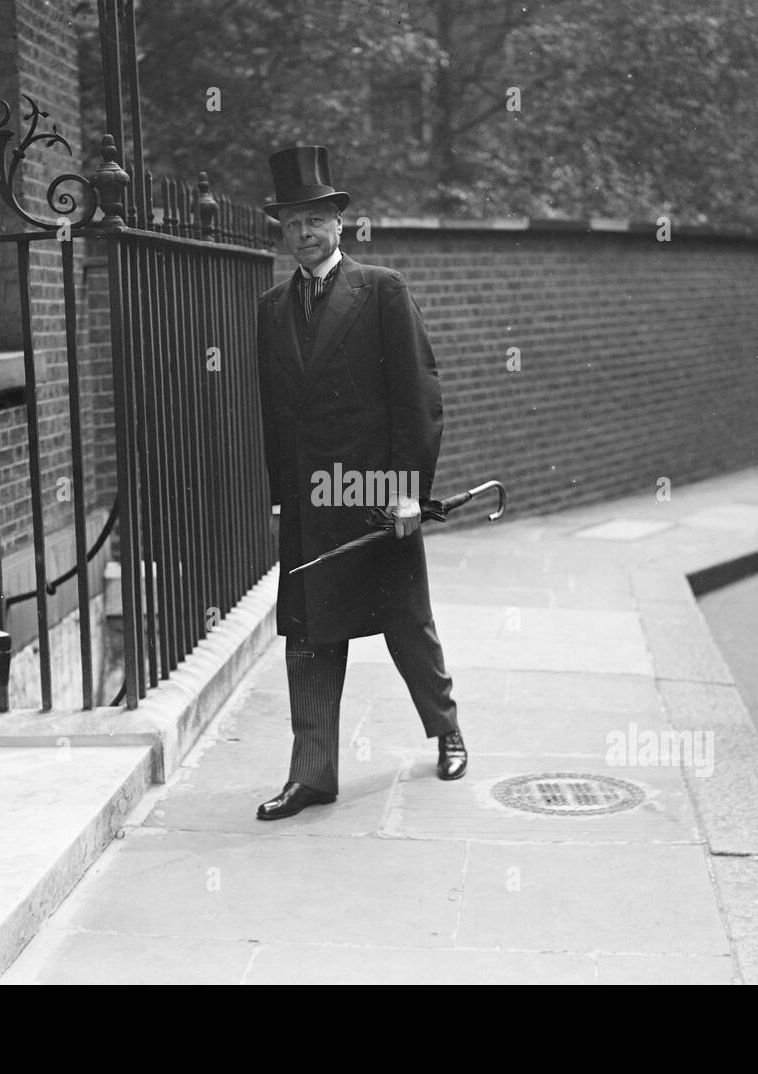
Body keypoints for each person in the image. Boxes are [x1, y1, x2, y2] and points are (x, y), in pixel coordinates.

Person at [253, 145, 466, 820]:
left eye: (316, 218)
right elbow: (274, 413)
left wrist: (409, 490)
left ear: (339, 224)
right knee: (311, 637)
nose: (304, 232)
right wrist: (280, 499)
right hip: (313, 508)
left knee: (406, 624)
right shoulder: (269, 310)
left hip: (374, 500)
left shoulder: (381, 291)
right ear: (283, 230)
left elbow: (418, 395)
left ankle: (447, 730)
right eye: (292, 221)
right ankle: (311, 774)